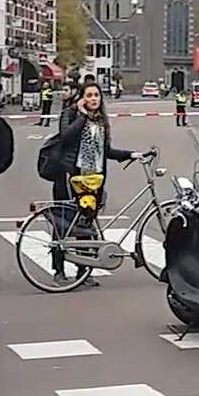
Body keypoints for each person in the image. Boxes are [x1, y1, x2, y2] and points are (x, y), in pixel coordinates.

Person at [49, 80, 145, 287]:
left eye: (96, 95)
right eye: (89, 95)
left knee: (85, 224)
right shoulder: (70, 114)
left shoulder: (101, 120)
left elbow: (105, 150)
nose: (93, 99)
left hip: (93, 179)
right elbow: (65, 137)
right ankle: (58, 271)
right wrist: (82, 115)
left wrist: (130, 154)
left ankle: (83, 270)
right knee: (63, 224)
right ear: (82, 98)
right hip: (70, 176)